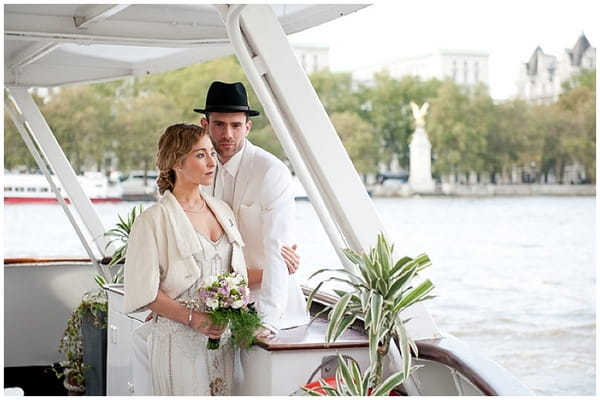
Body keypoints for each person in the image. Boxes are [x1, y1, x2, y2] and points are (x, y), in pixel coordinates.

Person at [124, 123, 246, 395]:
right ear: (176, 162)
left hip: (222, 343)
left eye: (212, 154)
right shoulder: (152, 222)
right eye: (200, 155)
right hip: (178, 344)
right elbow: (144, 292)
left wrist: (281, 263)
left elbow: (235, 274)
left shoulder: (224, 212)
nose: (211, 162)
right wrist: (193, 319)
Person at [194, 81, 310, 335]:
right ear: (205, 125)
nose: (228, 134)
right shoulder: (195, 168)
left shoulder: (271, 172)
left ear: (248, 127)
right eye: (219, 124)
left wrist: (267, 321)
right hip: (211, 302)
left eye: (236, 125)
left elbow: (277, 249)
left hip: (266, 306)